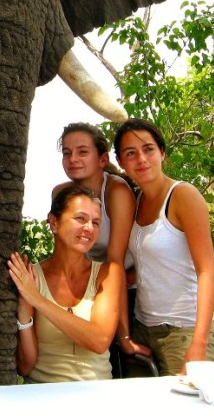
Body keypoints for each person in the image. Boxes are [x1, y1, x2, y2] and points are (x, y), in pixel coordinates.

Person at [113, 118, 214, 376]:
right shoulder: (134, 200)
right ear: (121, 162)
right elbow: (147, 262)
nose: (141, 159)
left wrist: (199, 344)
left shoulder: (183, 196)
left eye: (148, 149)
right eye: (130, 153)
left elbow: (207, 272)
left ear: (162, 152)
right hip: (143, 328)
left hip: (183, 330)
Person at [52, 122, 150, 372]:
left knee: (122, 363)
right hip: (92, 284)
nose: (72, 159)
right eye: (66, 152)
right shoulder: (60, 194)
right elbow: (63, 255)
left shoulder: (116, 191)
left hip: (127, 288)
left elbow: (115, 263)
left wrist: (125, 336)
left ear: (103, 159)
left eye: (82, 152)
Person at [8, 185, 124, 382]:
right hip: (42, 392)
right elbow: (25, 366)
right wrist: (24, 309)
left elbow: (99, 340)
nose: (89, 228)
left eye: (96, 222)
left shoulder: (107, 273)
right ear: (54, 222)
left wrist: (36, 299)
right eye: (80, 218)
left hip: (96, 395)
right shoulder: (31, 277)